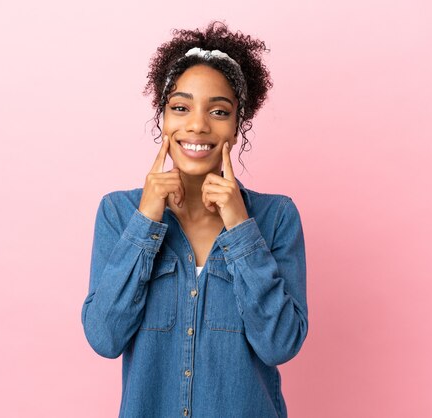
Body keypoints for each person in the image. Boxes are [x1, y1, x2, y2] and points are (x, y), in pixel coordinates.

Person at [81, 21, 308, 418]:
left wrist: (240, 229)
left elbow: (280, 344)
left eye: (218, 111)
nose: (198, 124)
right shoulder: (119, 214)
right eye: (180, 107)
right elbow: (105, 337)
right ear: (163, 119)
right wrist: (146, 222)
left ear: (238, 127)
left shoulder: (276, 218)